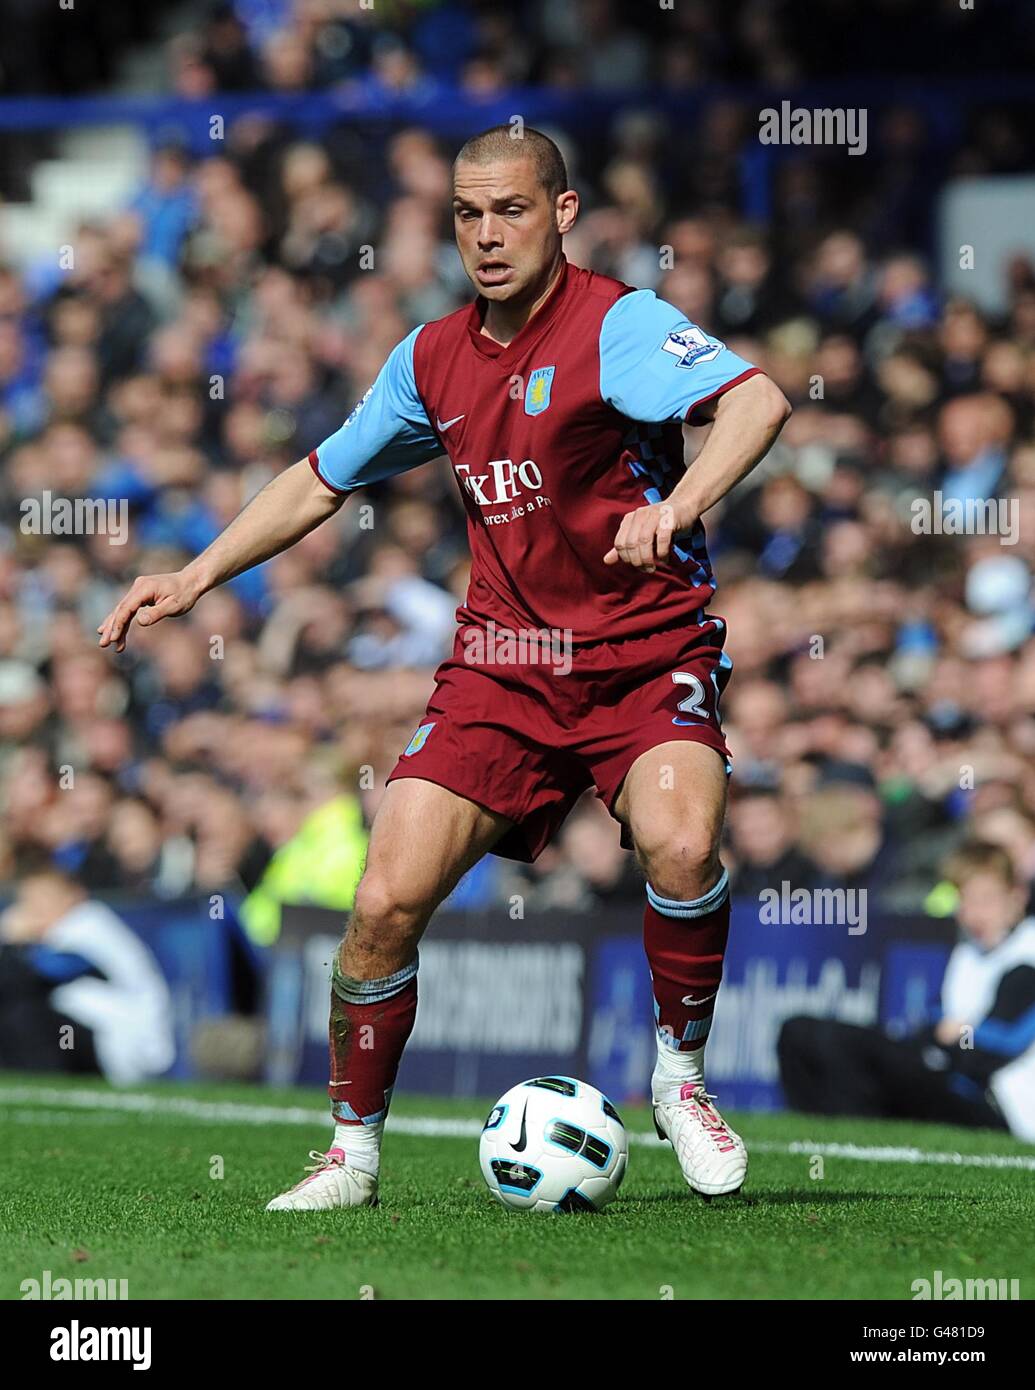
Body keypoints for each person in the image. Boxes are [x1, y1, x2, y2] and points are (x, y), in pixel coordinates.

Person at [99, 125, 791, 1209]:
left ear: (562, 213)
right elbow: (322, 477)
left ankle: (681, 1079)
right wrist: (193, 578)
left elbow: (758, 400)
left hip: (646, 656)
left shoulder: (619, 323)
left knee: (683, 839)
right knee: (382, 901)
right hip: (503, 669)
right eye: (467, 215)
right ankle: (351, 1157)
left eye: (511, 210)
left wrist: (681, 504)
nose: (486, 235)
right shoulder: (430, 358)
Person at [778, 842, 1035, 1140]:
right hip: (950, 1079)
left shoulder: (1026, 955)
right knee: (798, 1030)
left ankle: (852, 1136)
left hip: (999, 1106)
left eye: (986, 900)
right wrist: (948, 1037)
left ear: (1017, 896)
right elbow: (934, 1028)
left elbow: (993, 1050)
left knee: (842, 1043)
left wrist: (951, 1039)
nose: (974, 913)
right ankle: (823, 1133)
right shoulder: (968, 954)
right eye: (966, 901)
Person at [0, 866, 175, 1084]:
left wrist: (13, 944)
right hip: (96, 1031)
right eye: (28, 901)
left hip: (124, 1037)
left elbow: (53, 969)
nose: (33, 909)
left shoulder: (86, 921)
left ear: (74, 895)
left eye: (44, 898)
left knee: (26, 1012)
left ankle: (51, 1083)